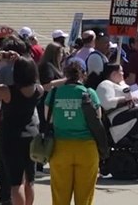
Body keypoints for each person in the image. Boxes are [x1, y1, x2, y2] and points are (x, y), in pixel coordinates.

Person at [0, 56, 42, 205]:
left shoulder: (8, 91)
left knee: (16, 183)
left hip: (11, 136)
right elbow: (37, 81)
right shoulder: (38, 89)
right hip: (31, 135)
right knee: (30, 180)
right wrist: (24, 61)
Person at [46, 59, 101, 205]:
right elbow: (98, 119)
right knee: (85, 197)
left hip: (60, 147)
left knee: (60, 196)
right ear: (84, 74)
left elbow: (49, 118)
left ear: (64, 73)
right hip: (86, 147)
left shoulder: (54, 93)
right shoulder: (90, 93)